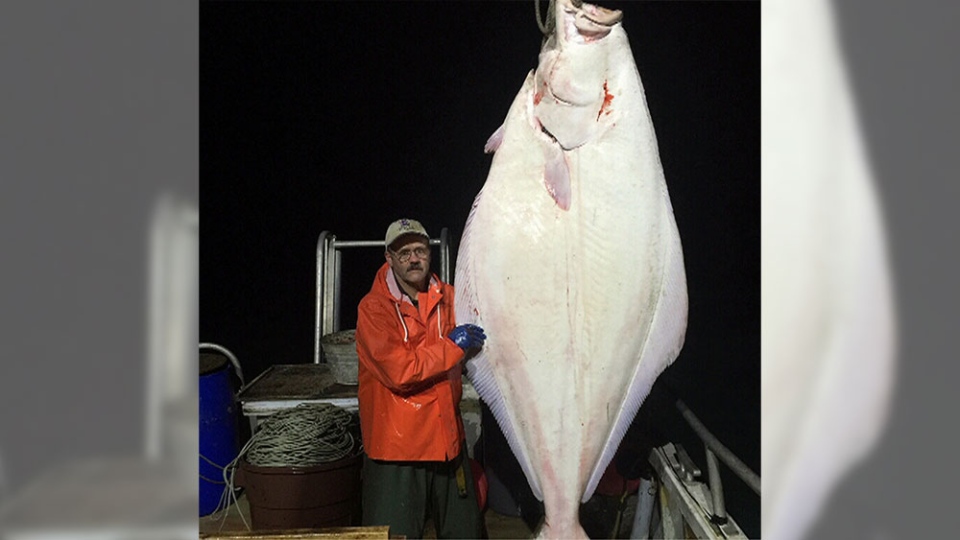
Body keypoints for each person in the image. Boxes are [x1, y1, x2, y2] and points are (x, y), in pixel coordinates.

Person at [355, 218, 487, 539]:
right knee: (392, 535)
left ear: (430, 253)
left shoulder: (450, 298)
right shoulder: (373, 310)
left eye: (420, 250)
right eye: (404, 253)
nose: (414, 259)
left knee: (466, 533)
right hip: (397, 450)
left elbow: (488, 322)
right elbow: (401, 371)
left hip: (448, 438)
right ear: (389, 258)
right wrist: (453, 346)